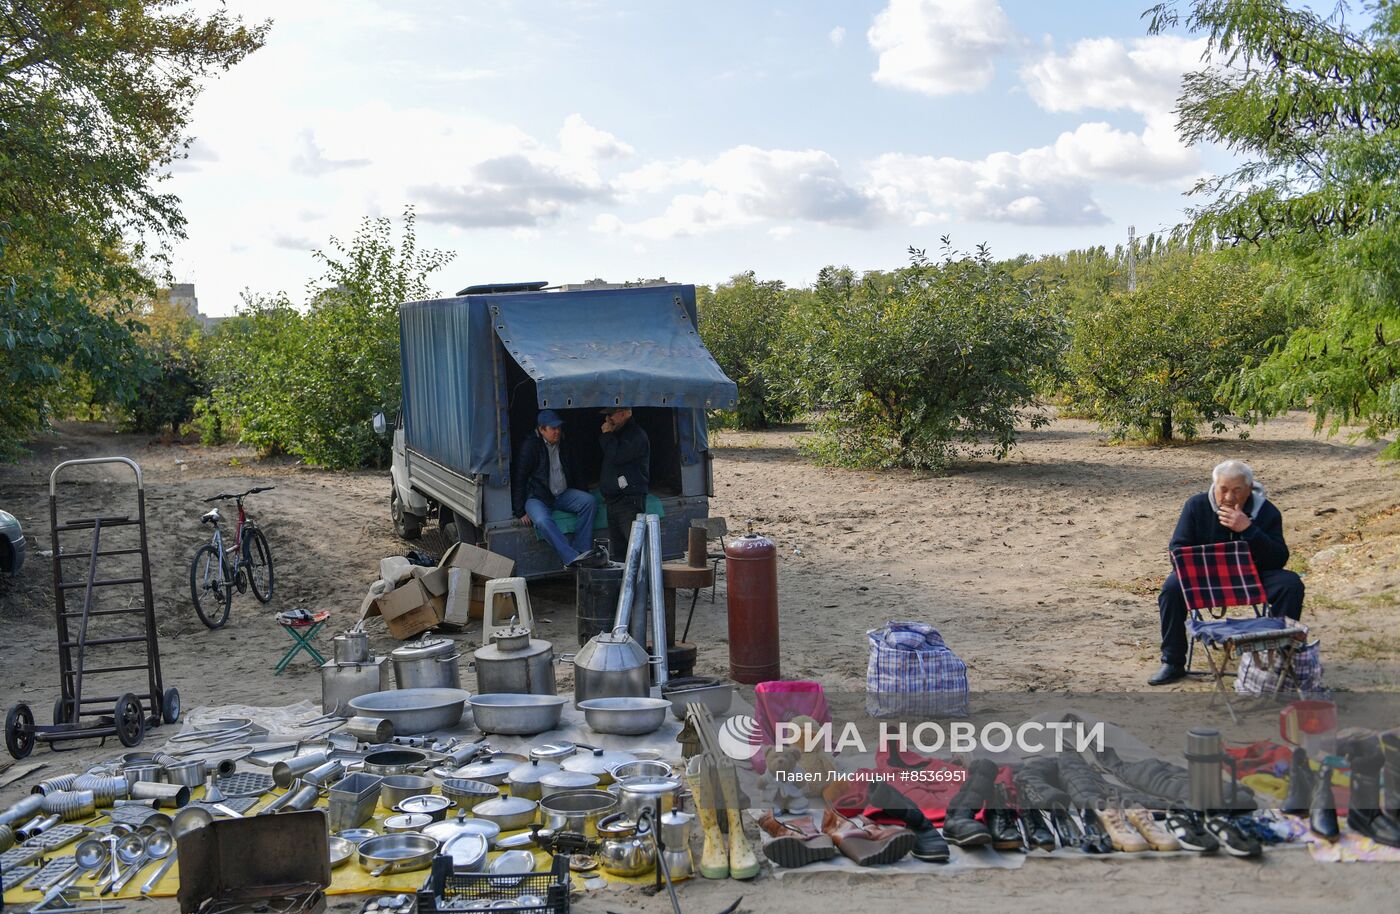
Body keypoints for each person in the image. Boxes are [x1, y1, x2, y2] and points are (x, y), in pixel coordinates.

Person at [1149, 459, 1304, 685]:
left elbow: (1279, 558)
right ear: (1214, 486)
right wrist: (1201, 568)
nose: (1229, 497)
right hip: (1205, 578)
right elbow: (1177, 550)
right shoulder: (1196, 506)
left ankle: (1282, 654)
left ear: (1249, 489)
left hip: (1252, 577)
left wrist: (1249, 529)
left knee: (1290, 584)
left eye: (1237, 491)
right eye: (1223, 490)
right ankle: (1172, 662)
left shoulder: (1267, 511)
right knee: (1172, 588)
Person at [511, 409, 601, 568]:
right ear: (541, 430)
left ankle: (582, 551)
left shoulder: (565, 443)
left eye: (559, 427)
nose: (557, 431)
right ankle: (571, 557)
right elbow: (520, 477)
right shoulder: (530, 446)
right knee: (542, 521)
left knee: (589, 502)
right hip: (538, 497)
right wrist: (519, 510)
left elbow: (577, 470)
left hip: (563, 494)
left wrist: (583, 491)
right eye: (553, 428)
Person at [598, 406, 650, 556]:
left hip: (629, 501)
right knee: (620, 552)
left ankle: (643, 579)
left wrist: (607, 435)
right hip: (613, 501)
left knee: (635, 550)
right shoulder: (618, 435)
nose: (608, 420)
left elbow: (617, 457)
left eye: (610, 415)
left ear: (622, 414)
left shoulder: (636, 436)